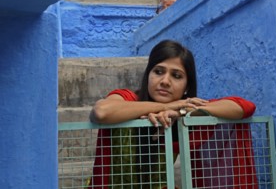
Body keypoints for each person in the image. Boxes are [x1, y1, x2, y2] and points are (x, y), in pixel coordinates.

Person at [88, 39, 258, 189]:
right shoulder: (128, 98)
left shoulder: (182, 110)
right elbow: (101, 112)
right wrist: (164, 106)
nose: (165, 81)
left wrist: (183, 112)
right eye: (158, 72)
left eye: (176, 76)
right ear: (148, 75)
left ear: (187, 87)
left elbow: (243, 107)